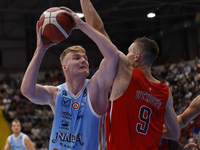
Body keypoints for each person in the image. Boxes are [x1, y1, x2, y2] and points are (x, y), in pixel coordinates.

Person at [80, 0, 180, 149]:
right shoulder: (165, 92)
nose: (126, 56)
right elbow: (175, 134)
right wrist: (151, 130)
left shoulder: (126, 71)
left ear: (137, 56)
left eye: (128, 52)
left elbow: (98, 29)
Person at [20, 7, 119, 150]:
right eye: (76, 58)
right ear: (64, 67)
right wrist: (40, 50)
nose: (83, 61)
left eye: (85, 58)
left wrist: (82, 26)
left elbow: (113, 56)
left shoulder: (96, 87)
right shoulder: (56, 94)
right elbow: (27, 91)